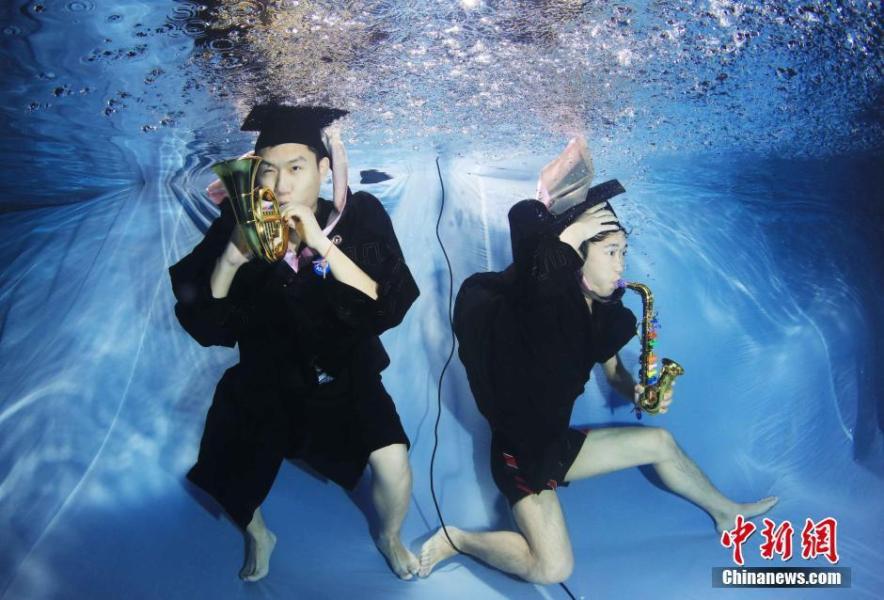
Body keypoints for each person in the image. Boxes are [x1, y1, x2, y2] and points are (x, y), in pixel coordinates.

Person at [418, 138, 777, 584]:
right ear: (576, 261)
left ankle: (725, 510)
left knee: (660, 442)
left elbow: (614, 373)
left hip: (555, 443)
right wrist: (563, 218)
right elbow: (529, 236)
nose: (620, 266)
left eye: (623, 251)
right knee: (553, 568)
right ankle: (459, 539)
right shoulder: (538, 306)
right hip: (522, 456)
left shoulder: (605, 313)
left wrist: (638, 391)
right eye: (610, 253)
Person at [169, 105, 421, 581]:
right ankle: (259, 534)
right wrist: (230, 259)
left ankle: (390, 536)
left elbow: (383, 305)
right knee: (226, 467)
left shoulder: (357, 218)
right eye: (268, 169)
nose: (281, 185)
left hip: (345, 374)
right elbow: (209, 328)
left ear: (324, 170)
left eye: (296, 168)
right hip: (267, 377)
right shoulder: (237, 224)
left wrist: (321, 247)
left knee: (394, 464)